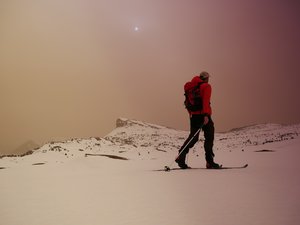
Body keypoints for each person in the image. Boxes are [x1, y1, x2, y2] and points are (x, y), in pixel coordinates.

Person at [175, 71, 221, 169]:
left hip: (193, 116)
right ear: (206, 78)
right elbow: (205, 102)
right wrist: (206, 115)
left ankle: (180, 157)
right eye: (208, 78)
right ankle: (209, 162)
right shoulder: (206, 86)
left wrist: (191, 114)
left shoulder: (190, 86)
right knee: (209, 137)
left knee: (193, 138)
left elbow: (187, 102)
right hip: (204, 115)